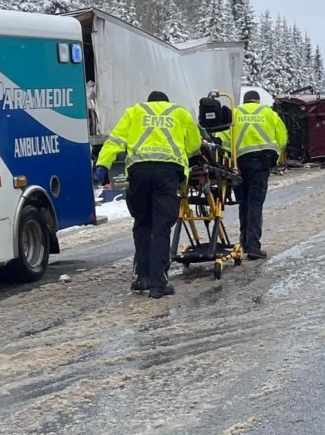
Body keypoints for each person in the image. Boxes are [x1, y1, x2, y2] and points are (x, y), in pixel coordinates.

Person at [94, 91, 201, 299]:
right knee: (161, 228)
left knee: (142, 224)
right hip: (167, 174)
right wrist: (182, 152)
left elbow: (115, 140)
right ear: (165, 103)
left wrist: (102, 164)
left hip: (139, 173)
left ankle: (142, 277)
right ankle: (158, 284)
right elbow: (195, 144)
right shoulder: (179, 113)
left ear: (149, 102)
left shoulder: (134, 112)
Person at [219, 90, 287, 260]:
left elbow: (223, 140)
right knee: (255, 203)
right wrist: (274, 157)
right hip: (261, 162)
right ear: (257, 101)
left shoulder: (234, 113)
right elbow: (282, 138)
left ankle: (244, 242)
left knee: (244, 202)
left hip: (240, 163)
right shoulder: (268, 113)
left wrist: (229, 159)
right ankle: (254, 247)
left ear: (244, 101)